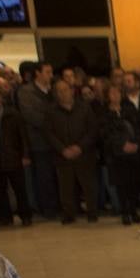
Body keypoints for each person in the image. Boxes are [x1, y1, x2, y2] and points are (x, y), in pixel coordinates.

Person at [45, 80, 98, 223]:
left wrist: (80, 147)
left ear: (72, 90)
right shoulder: (51, 111)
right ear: (56, 94)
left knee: (88, 185)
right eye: (59, 91)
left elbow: (92, 130)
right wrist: (62, 149)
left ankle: (92, 212)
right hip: (62, 156)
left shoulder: (84, 108)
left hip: (84, 154)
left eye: (66, 89)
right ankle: (69, 214)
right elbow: (49, 133)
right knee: (65, 188)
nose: (63, 93)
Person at [16, 61, 59, 219]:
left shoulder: (53, 91)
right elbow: (31, 116)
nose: (51, 76)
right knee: (44, 177)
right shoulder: (26, 92)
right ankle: (48, 209)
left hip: (57, 141)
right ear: (38, 73)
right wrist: (54, 125)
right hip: (40, 141)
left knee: (57, 176)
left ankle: (60, 206)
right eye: (47, 72)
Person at [0, 85, 30, 226]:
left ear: (1, 98)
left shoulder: (13, 114)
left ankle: (25, 216)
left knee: (20, 189)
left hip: (13, 155)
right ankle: (6, 217)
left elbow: (23, 136)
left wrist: (25, 155)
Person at [100, 85, 140, 226]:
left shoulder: (129, 109)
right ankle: (125, 212)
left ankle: (133, 211)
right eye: (111, 92)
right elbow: (105, 134)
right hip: (116, 155)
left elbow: (139, 128)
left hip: (133, 153)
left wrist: (136, 143)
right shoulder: (104, 113)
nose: (115, 95)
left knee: (133, 183)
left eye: (117, 92)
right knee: (121, 185)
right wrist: (121, 145)